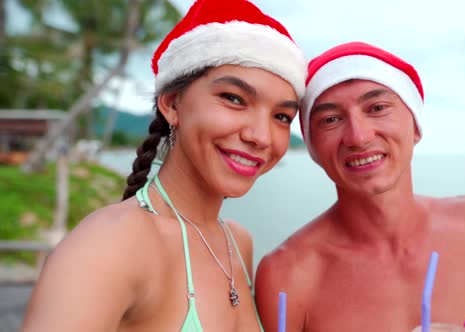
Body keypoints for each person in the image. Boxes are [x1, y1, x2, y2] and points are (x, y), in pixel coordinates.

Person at [254, 41, 465, 332]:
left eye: (378, 108)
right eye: (330, 119)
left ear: (415, 126)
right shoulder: (287, 275)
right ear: (313, 147)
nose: (358, 136)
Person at [21, 0, 306, 331]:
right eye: (234, 98)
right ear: (172, 104)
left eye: (282, 116)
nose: (261, 136)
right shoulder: (107, 247)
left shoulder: (237, 243)